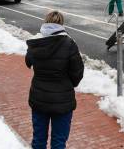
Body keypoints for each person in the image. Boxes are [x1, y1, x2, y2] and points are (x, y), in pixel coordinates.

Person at [26, 11, 84, 149]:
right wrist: (68, 83)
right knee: (58, 142)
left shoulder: (36, 42)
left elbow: (28, 62)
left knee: (38, 140)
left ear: (45, 22)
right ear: (61, 24)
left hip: (39, 97)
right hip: (62, 101)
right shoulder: (70, 44)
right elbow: (77, 73)